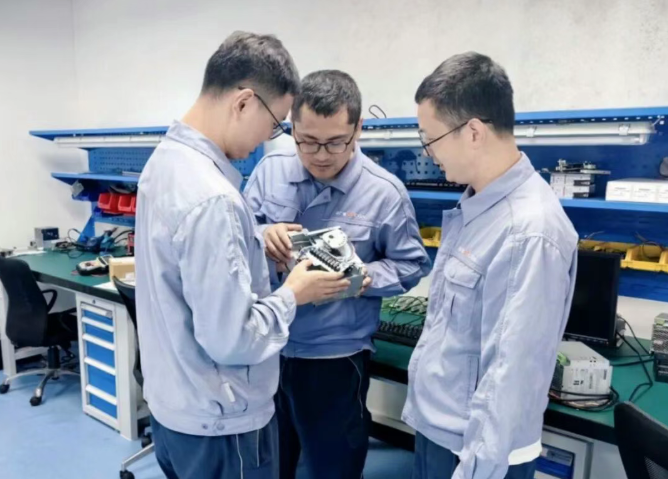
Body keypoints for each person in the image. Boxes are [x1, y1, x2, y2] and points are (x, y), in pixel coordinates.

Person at [135, 32, 351, 479]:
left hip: (175, 409)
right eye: (275, 125)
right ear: (244, 103)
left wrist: (256, 243)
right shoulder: (214, 197)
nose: (269, 138)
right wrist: (294, 293)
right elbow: (232, 339)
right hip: (222, 424)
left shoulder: (166, 161)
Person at [244, 69, 431, 479]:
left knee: (332, 467)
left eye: (335, 142)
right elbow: (240, 234)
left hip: (334, 358)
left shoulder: (385, 193)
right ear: (292, 128)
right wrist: (263, 235)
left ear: (357, 129)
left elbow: (412, 264)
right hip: (267, 347)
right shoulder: (269, 171)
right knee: (271, 464)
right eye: (307, 141)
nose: (321, 155)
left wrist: (360, 277)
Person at [402, 52, 579, 479]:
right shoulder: (478, 206)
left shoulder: (528, 231)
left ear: (473, 132)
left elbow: (508, 378)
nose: (428, 152)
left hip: (474, 453)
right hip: (441, 431)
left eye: (431, 138)